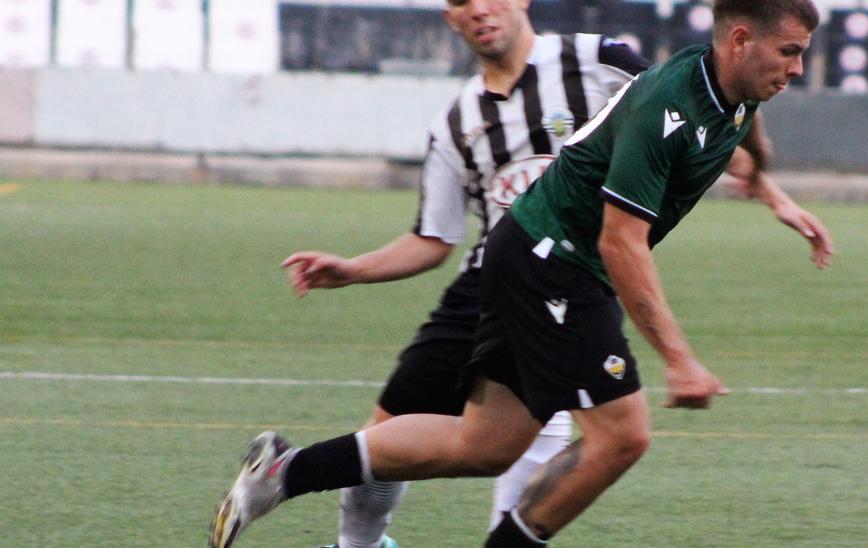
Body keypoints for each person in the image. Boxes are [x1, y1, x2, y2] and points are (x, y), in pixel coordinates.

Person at [208, 1, 820, 547]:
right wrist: (679, 358)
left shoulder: (735, 90)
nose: (795, 70)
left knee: (488, 446)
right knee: (623, 436)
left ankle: (283, 475)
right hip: (557, 259)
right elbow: (621, 241)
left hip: (531, 250)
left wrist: (767, 184)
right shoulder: (667, 101)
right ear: (739, 40)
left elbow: (742, 129)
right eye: (788, 53)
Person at [256, 0, 653, 546]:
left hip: (568, 280)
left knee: (532, 431)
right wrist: (353, 269)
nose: (480, 11)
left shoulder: (598, 62)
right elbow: (432, 238)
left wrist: (760, 179)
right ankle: (359, 544)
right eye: (463, 2)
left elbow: (681, 108)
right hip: (485, 283)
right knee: (384, 436)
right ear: (450, 18)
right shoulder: (457, 120)